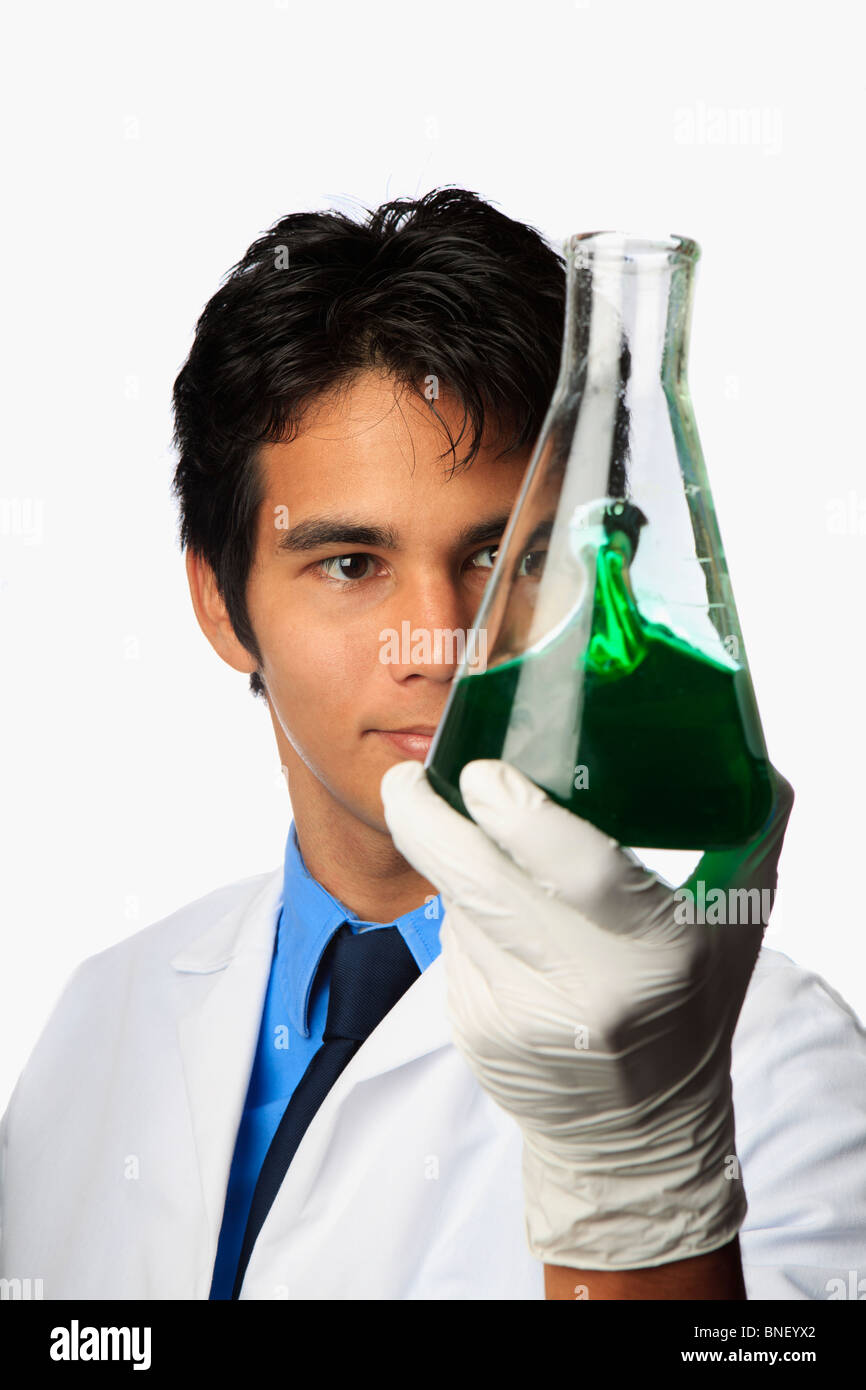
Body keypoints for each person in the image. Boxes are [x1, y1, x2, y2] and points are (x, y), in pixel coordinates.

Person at [1, 188, 864, 1302]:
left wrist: (640, 1173)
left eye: (507, 558)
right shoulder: (102, 1015)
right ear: (220, 603)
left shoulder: (752, 1056)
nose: (442, 640)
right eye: (351, 564)